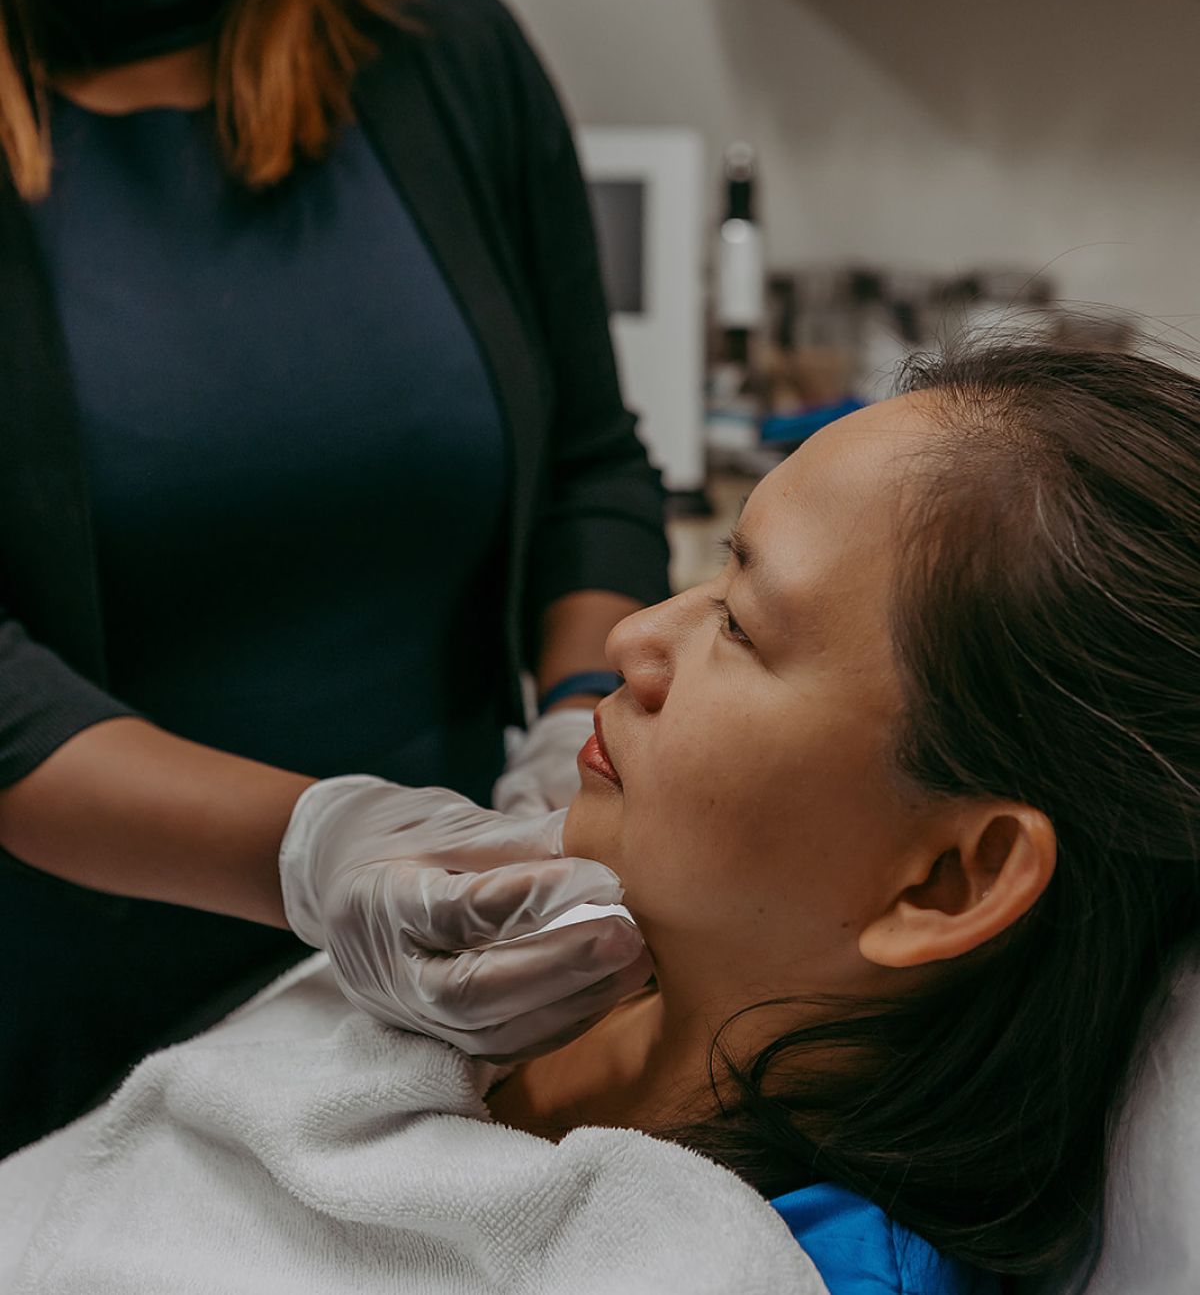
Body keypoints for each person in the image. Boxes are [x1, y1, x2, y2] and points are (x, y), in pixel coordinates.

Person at [7, 340, 1196, 1295]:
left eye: (739, 626)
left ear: (946, 883)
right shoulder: (549, 982)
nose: (631, 641)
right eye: (712, 573)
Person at [0, 0, 668, 1156]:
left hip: (430, 1015)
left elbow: (592, 465)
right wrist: (322, 851)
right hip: (51, 1043)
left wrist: (577, 729)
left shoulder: (442, 51)